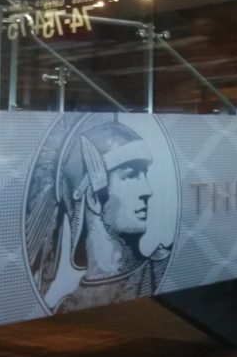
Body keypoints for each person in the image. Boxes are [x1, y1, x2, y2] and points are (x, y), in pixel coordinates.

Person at [27, 119, 171, 313]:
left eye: (144, 175)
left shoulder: (161, 270)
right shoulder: (65, 308)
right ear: (94, 198)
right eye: (130, 175)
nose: (148, 190)